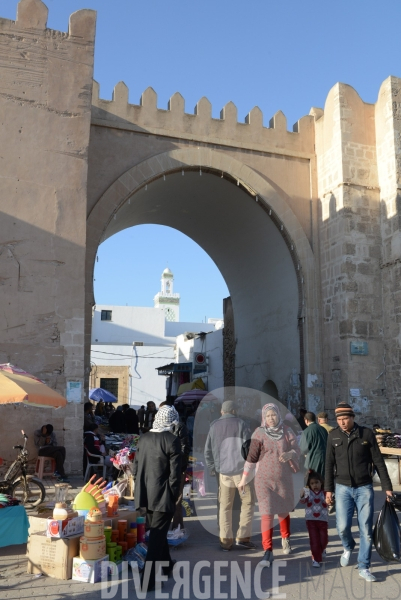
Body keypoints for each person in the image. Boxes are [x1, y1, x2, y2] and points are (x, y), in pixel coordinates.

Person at [325, 402, 393, 582]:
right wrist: (328, 490)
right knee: (342, 527)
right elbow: (329, 465)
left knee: (365, 529)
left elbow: (378, 462)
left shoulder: (366, 434)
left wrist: (387, 488)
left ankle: (364, 566)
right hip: (342, 488)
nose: (342, 422)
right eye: (339, 419)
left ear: (353, 418)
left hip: (364, 488)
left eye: (345, 418)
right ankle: (348, 546)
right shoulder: (333, 436)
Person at [237, 403, 300, 565]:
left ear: (278, 415)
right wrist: (244, 479)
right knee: (267, 514)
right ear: (263, 418)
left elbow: (297, 448)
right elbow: (251, 458)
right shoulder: (259, 433)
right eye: (268, 416)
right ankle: (268, 550)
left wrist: (290, 454)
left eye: (273, 415)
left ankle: (285, 539)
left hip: (283, 479)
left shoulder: (287, 431)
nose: (271, 418)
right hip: (263, 480)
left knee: (283, 512)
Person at [133, 405, 181, 592]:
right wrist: (174, 494)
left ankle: (167, 565)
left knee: (157, 532)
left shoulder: (144, 438)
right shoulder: (172, 440)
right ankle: (147, 581)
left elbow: (135, 467)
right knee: (156, 537)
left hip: (145, 494)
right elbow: (175, 475)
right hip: (163, 496)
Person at [204, 400, 255, 552]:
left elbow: (207, 451)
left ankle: (225, 542)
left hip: (223, 473)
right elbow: (249, 448)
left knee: (225, 506)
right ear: (234, 411)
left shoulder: (213, 426)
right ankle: (243, 538)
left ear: (222, 411)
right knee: (248, 503)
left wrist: (214, 468)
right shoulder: (241, 424)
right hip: (241, 472)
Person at [159, 400, 191, 530]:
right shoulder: (158, 427)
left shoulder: (180, 427)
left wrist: (179, 466)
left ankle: (177, 527)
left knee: (177, 498)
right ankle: (162, 527)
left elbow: (185, 448)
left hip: (177, 468)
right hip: (162, 467)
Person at [299, 470, 329, 568]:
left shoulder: (324, 492)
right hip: (311, 520)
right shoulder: (308, 492)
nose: (315, 485)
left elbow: (330, 502)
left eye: (317, 483)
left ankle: (322, 550)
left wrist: (331, 501)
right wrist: (302, 494)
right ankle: (315, 559)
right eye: (312, 483)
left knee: (324, 539)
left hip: (323, 520)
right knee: (314, 540)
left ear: (321, 482)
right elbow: (303, 501)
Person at [300, 412, 328, 478]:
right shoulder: (323, 429)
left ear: (306, 420)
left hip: (313, 460)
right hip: (325, 459)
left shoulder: (306, 431)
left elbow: (303, 449)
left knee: (313, 482)